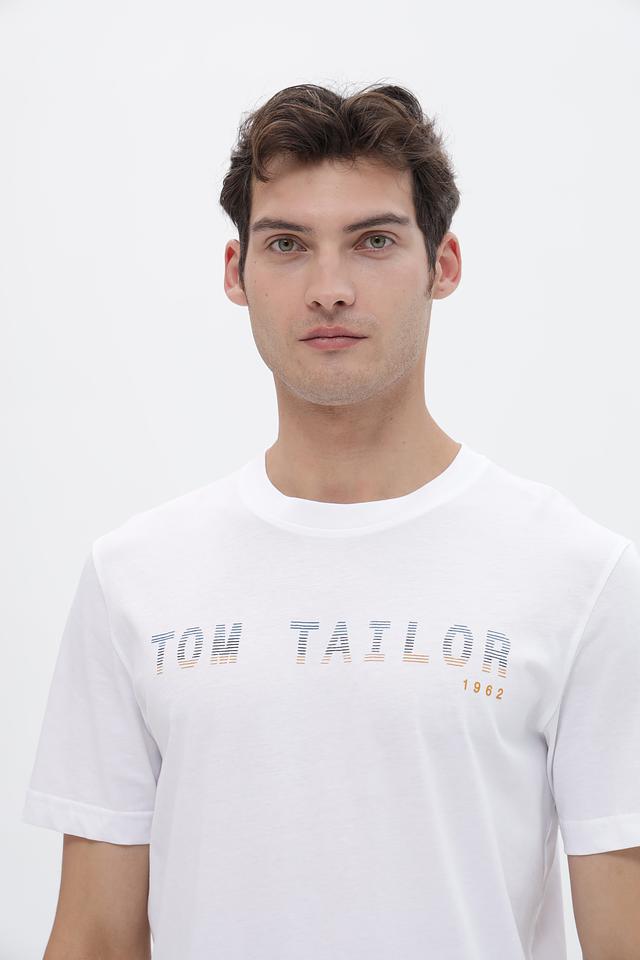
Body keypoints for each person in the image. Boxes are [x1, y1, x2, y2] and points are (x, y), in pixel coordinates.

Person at [22, 81, 640, 960]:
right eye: (287, 245)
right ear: (235, 273)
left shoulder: (578, 577)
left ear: (444, 265)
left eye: (374, 241)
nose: (330, 289)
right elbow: (93, 937)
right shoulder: (134, 577)